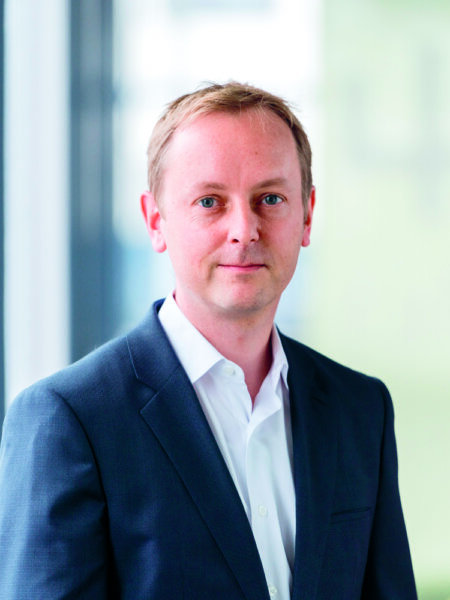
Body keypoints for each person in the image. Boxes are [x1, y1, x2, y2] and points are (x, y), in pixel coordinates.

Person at [0, 82, 416, 599]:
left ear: (307, 215)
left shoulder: (361, 409)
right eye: (209, 202)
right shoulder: (69, 419)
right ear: (156, 221)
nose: (244, 229)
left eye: (270, 198)